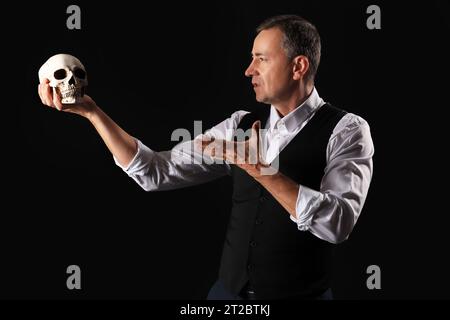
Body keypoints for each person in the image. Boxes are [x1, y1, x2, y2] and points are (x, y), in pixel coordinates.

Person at [38, 15, 374, 300]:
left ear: (298, 66)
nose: (248, 70)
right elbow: (156, 171)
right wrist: (92, 113)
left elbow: (338, 222)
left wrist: (261, 170)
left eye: (261, 58)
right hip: (226, 296)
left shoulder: (346, 130)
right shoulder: (238, 126)